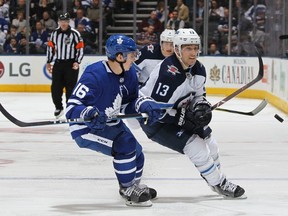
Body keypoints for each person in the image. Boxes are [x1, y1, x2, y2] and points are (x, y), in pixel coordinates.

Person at [139, 28, 246, 199]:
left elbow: (198, 95)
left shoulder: (199, 69)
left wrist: (200, 106)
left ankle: (215, 179)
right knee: (196, 146)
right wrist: (184, 119)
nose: (193, 53)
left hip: (179, 114)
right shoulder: (168, 74)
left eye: (195, 48)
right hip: (155, 123)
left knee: (211, 143)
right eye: (188, 48)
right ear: (178, 50)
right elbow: (157, 112)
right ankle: (218, 182)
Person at [65, 34, 163, 206]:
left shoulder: (131, 73)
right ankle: (127, 189)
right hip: (86, 128)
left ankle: (134, 186)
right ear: (120, 56)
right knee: (125, 144)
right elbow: (71, 108)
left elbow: (129, 103)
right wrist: (88, 113)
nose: (135, 58)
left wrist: (145, 105)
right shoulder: (94, 74)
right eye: (132, 55)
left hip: (111, 123)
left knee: (137, 153)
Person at [46, 12, 84, 118]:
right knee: (55, 87)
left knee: (70, 88)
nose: (64, 23)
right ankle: (58, 107)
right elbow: (50, 48)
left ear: (69, 22)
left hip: (71, 64)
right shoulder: (54, 34)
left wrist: (77, 61)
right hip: (58, 63)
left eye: (66, 21)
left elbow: (80, 48)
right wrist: (48, 61)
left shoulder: (75, 33)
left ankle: (70, 108)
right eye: (62, 21)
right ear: (59, 22)